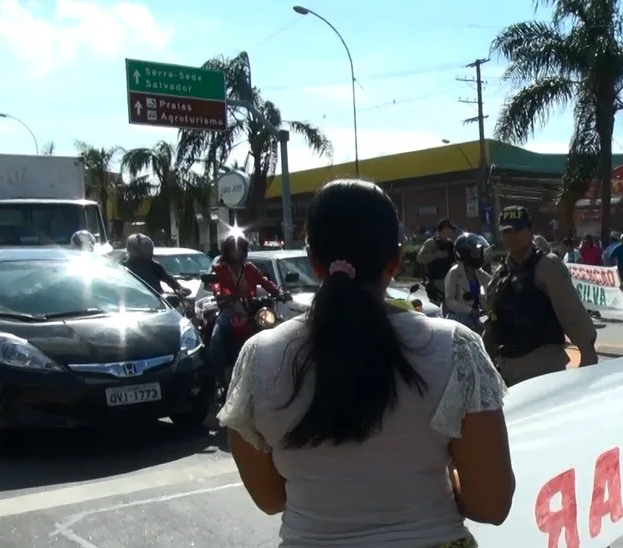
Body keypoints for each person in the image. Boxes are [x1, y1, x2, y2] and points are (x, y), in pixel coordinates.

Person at [216, 180, 515, 547]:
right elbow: (491, 504)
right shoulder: (455, 349)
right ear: (395, 259)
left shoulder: (258, 357)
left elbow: (270, 499)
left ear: (313, 262)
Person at [485, 206, 598, 385]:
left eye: (518, 229)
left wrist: (587, 354)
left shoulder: (547, 265)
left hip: (544, 368)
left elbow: (572, 313)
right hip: (507, 372)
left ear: (530, 230)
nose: (512, 236)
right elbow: (493, 325)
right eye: (506, 231)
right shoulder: (500, 274)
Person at [208, 232, 286, 373]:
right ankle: (216, 378)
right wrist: (227, 297)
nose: (237, 252)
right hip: (229, 311)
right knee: (216, 339)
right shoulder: (219, 270)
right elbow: (217, 290)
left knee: (276, 328)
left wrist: (279, 293)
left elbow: (264, 281)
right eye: (233, 248)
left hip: (250, 311)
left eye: (240, 248)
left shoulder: (249, 268)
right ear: (227, 250)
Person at [444, 233, 492, 334]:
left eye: (480, 250)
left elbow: (493, 285)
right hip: (457, 323)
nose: (480, 253)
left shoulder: (479, 273)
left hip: (476, 321)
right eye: (476, 250)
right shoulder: (454, 273)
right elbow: (450, 300)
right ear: (465, 252)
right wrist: (469, 311)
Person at [122, 233, 190, 296]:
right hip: (131, 302)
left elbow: (169, 280)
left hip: (154, 302)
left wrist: (180, 288)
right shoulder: (123, 268)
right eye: (141, 251)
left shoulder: (153, 266)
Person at [417, 219, 457, 306]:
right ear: (444, 229)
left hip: (449, 280)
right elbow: (420, 258)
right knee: (435, 308)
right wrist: (435, 255)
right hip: (436, 281)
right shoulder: (431, 243)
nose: (451, 231)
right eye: (449, 229)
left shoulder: (451, 244)